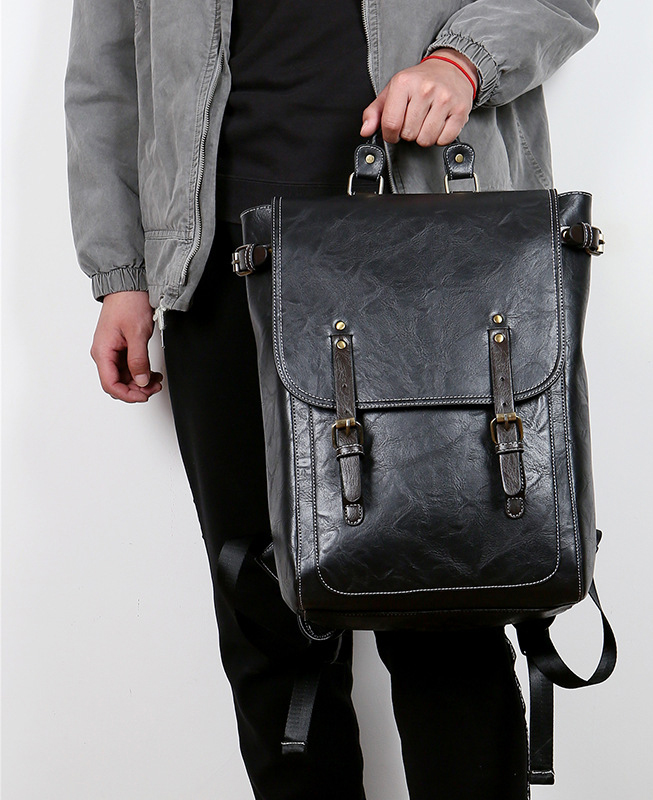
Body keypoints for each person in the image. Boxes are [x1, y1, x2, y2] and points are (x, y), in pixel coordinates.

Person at [65, 2, 600, 797]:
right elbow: (105, 63)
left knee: (448, 618)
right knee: (266, 626)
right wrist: (121, 273)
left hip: (430, 254)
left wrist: (462, 61)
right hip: (219, 264)